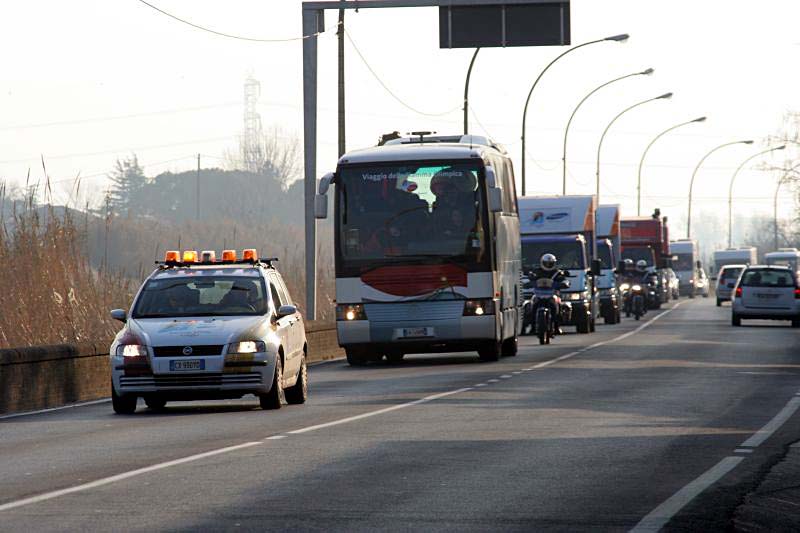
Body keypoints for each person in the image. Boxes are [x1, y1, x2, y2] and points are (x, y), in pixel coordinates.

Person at [528, 253, 569, 335]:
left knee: (557, 306)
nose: (548, 265)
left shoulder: (557, 273)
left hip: (552, 294)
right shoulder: (536, 272)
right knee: (531, 306)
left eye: (550, 263)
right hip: (538, 294)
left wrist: (564, 284)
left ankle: (557, 326)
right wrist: (528, 283)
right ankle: (532, 326)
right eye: (546, 263)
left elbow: (564, 280)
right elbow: (530, 279)